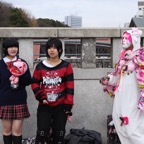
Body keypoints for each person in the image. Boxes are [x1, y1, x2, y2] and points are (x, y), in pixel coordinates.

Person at [100, 28, 144, 144]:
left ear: (134, 40)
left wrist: (134, 59)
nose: (123, 41)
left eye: (126, 38)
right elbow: (118, 78)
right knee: (121, 128)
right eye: (123, 38)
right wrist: (108, 79)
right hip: (121, 99)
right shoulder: (122, 60)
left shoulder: (141, 58)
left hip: (134, 100)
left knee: (133, 130)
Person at [31, 38, 74, 144]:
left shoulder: (66, 66)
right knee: (42, 133)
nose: (52, 50)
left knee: (59, 134)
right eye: (49, 47)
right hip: (44, 106)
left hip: (61, 106)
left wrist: (68, 105)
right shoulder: (40, 66)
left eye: (55, 48)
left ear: (59, 50)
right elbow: (34, 83)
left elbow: (70, 86)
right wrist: (41, 97)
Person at [0, 38, 32, 144]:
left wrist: (19, 74)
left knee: (17, 130)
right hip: (4, 100)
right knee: (7, 130)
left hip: (19, 99)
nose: (13, 49)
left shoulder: (22, 63)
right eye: (10, 47)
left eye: (15, 47)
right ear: (5, 49)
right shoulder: (1, 64)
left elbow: (28, 81)